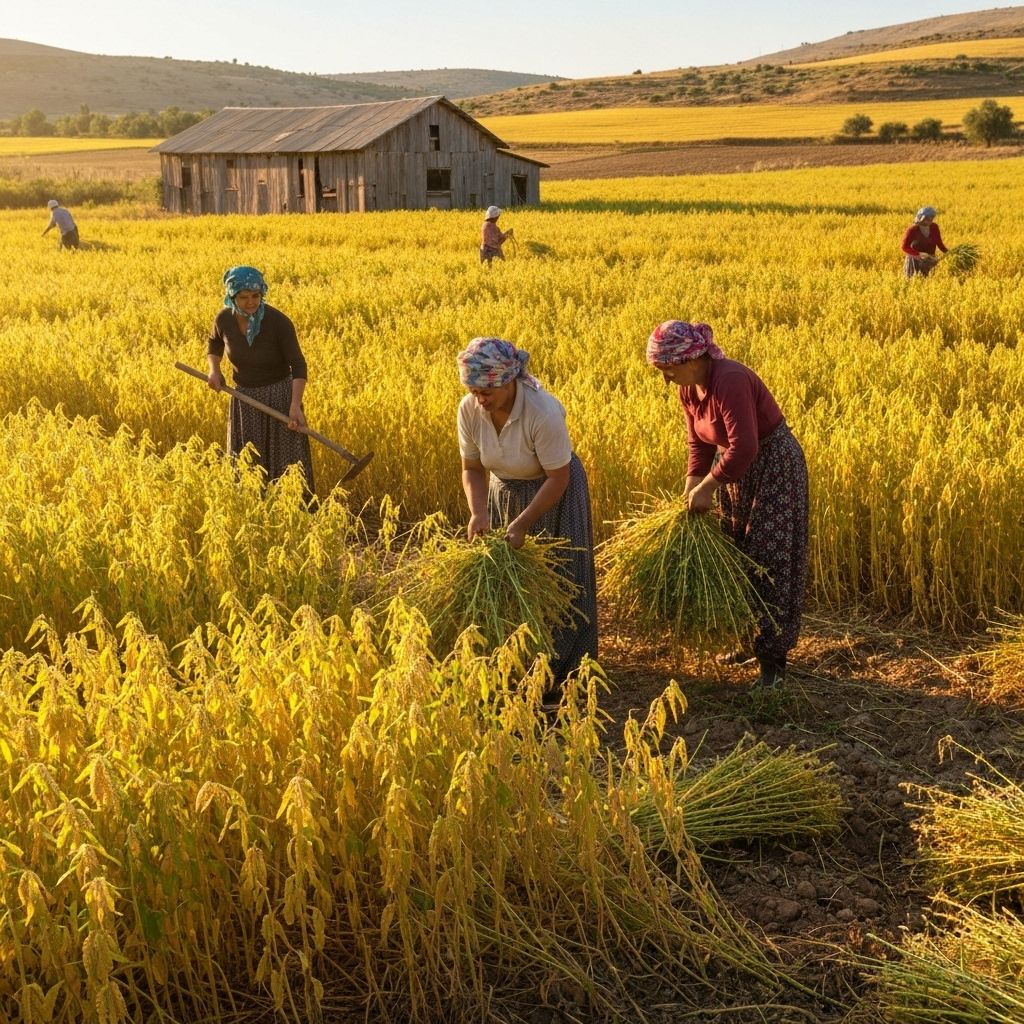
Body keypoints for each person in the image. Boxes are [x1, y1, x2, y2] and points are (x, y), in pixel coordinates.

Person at [647, 320, 808, 689]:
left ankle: (773, 662)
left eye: (667, 369)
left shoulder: (729, 380)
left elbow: (746, 446)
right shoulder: (690, 389)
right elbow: (699, 445)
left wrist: (709, 486)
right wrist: (692, 488)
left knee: (768, 560)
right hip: (731, 471)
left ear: (691, 359)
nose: (666, 379)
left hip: (772, 466)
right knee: (735, 557)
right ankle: (745, 640)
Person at [457, 336, 597, 696]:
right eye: (473, 390)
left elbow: (559, 477)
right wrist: (478, 512)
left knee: (561, 578)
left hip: (553, 493)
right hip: (504, 491)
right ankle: (517, 665)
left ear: (509, 381)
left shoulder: (542, 411)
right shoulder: (470, 409)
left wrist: (521, 525)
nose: (480, 399)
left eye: (486, 391)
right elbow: (471, 467)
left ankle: (564, 675)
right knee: (510, 585)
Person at [206, 265, 315, 495]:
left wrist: (295, 405)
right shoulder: (224, 319)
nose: (251, 302)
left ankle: (294, 514)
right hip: (244, 399)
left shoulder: (278, 322)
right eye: (244, 297)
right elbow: (214, 342)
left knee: (287, 464)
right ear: (232, 296)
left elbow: (298, 365)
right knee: (248, 462)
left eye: (256, 296)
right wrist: (214, 370)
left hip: (280, 397)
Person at [901, 205, 948, 278]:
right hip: (915, 261)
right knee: (915, 281)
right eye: (927, 218)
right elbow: (904, 247)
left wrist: (948, 253)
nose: (930, 220)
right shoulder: (912, 230)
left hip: (930, 260)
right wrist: (918, 254)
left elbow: (939, 243)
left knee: (929, 281)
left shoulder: (934, 227)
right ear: (921, 218)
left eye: (932, 218)